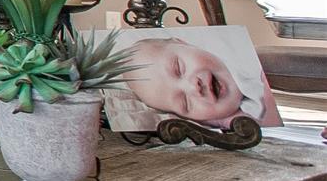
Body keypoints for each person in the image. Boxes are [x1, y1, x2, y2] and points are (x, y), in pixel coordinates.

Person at [116, 35, 276, 127]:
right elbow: (265, 129)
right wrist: (225, 120)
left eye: (178, 68)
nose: (193, 87)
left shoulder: (236, 52)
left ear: (182, 42)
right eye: (185, 103)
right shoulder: (248, 109)